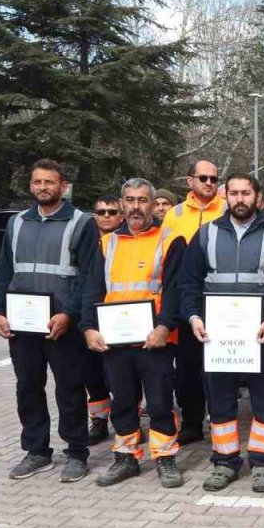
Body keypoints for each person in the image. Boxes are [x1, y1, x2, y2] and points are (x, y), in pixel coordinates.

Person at [179, 172, 264, 493]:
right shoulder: (206, 234)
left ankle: (262, 462)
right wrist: (193, 317)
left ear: (257, 197)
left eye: (246, 193)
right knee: (221, 401)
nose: (239, 199)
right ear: (224, 195)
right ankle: (224, 461)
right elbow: (188, 282)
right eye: (233, 193)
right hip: (217, 336)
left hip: (262, 336)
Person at [0, 159, 99, 482]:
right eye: (37, 182)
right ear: (30, 186)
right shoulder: (17, 223)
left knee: (69, 389)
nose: (42, 188)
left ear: (62, 186)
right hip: (23, 328)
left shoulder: (82, 223)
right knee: (28, 388)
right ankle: (37, 451)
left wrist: (70, 314)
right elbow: (3, 272)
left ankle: (77, 452)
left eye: (49, 182)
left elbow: (90, 280)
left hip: (63, 326)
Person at [80, 178, 187, 488]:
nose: (136, 206)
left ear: (154, 205)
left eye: (143, 200)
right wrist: (88, 328)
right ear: (122, 204)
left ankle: (165, 458)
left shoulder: (171, 239)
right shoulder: (107, 243)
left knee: (159, 402)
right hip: (116, 341)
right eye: (130, 200)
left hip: (156, 340)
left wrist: (165, 327)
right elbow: (92, 290)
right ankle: (126, 458)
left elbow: (176, 290)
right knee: (123, 401)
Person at [160, 159, 226, 446]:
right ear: (190, 181)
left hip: (220, 299)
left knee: (219, 364)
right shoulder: (173, 215)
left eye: (213, 178)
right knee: (187, 366)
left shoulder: (227, 210)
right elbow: (162, 259)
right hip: (185, 298)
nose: (209, 183)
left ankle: (222, 420)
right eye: (203, 178)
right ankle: (191, 422)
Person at [83, 196, 123, 443]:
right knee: (92, 374)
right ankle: (98, 421)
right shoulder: (85, 242)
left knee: (122, 378)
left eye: (112, 211)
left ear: (122, 216)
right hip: (91, 317)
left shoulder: (125, 241)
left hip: (121, 319)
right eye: (101, 211)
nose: (106, 216)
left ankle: (125, 422)